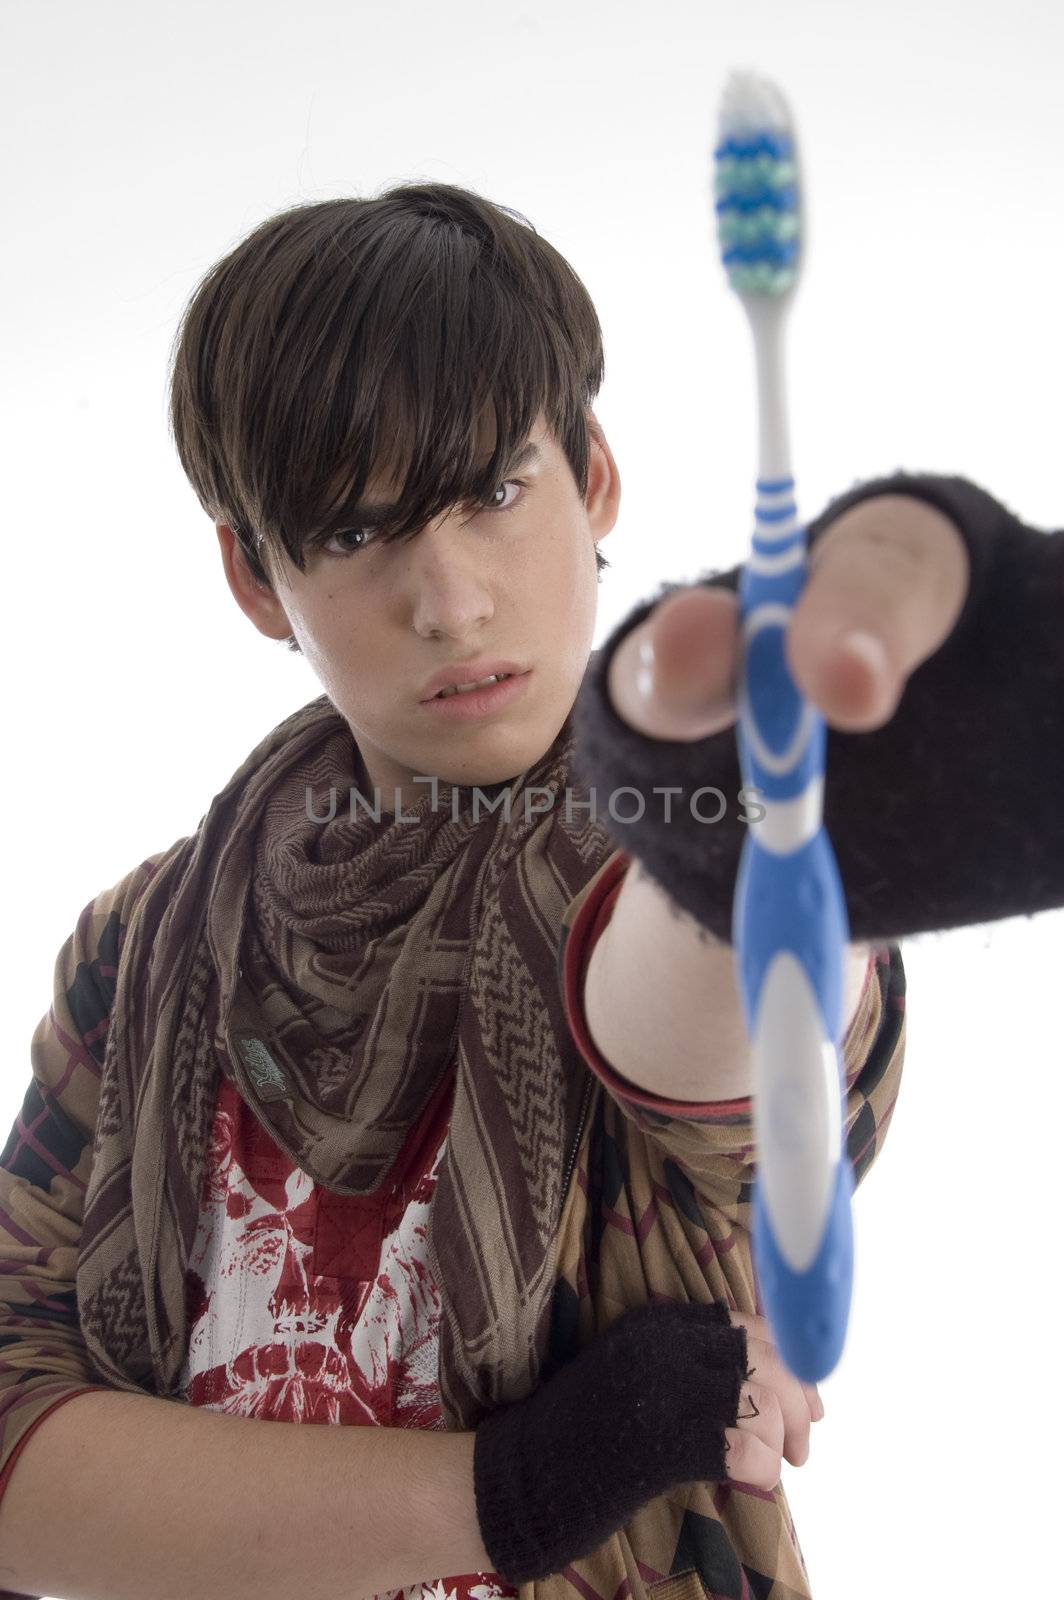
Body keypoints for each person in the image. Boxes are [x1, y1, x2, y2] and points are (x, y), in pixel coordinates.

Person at [0, 180, 1057, 1600]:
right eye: (355, 532)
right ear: (255, 578)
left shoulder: (652, 879)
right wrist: (522, 1486)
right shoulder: (144, 945)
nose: (450, 601)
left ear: (596, 476)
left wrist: (774, 808)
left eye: (494, 492)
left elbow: (686, 997)